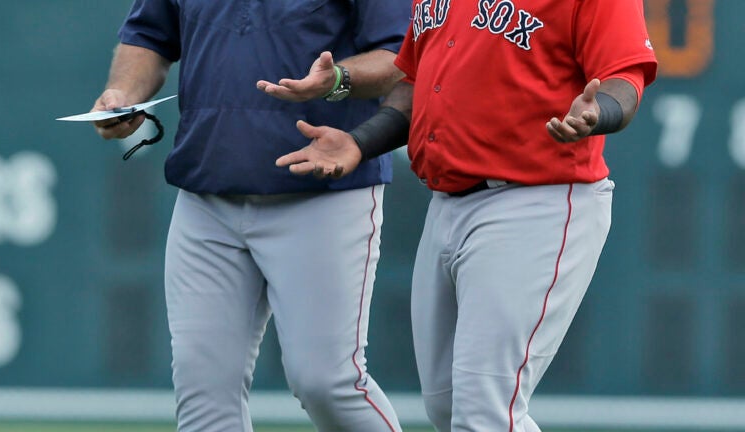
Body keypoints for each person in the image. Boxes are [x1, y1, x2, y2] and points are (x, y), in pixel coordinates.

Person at [275, 0, 659, 430]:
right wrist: (361, 142)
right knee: (449, 405)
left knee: (483, 410)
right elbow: (415, 81)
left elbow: (625, 77)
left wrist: (598, 112)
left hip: (537, 202)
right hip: (447, 204)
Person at [89, 0, 411, 431]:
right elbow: (149, 34)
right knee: (202, 394)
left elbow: (400, 56)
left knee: (327, 383)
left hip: (323, 189)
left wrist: (338, 78)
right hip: (208, 195)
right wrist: (123, 95)